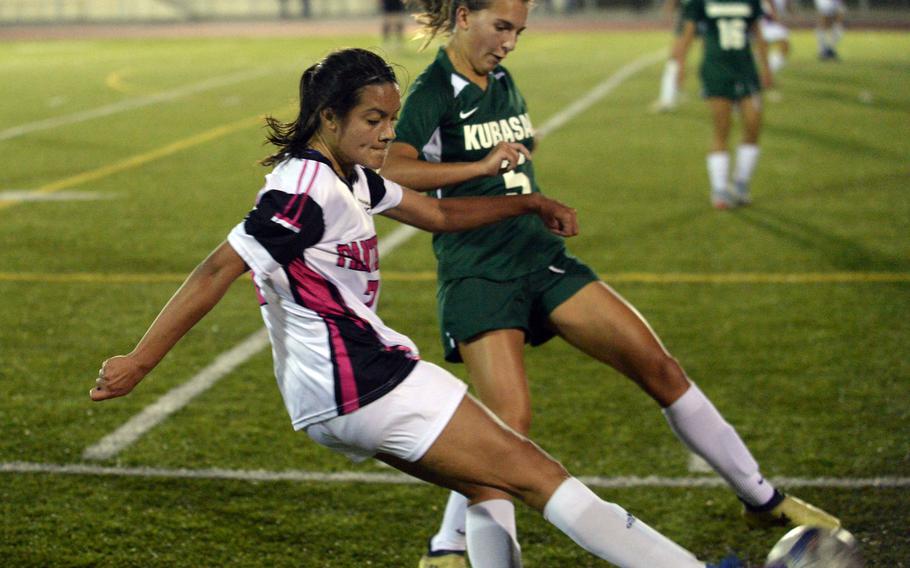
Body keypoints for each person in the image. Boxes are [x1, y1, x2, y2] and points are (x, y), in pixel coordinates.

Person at [89, 47, 748, 568]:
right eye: (373, 121)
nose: (388, 133)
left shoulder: (352, 173)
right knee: (539, 475)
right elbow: (217, 268)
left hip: (331, 397)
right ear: (329, 119)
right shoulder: (302, 189)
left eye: (391, 120)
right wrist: (139, 362)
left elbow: (434, 213)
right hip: (368, 381)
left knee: (489, 485)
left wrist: (526, 201)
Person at [381, 1, 841, 566]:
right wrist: (480, 169)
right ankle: (447, 547)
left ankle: (762, 498)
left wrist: (518, 155)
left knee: (660, 368)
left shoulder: (499, 77)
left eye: (519, 31)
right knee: (507, 427)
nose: (510, 43)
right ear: (463, 16)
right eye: (501, 27)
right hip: (478, 271)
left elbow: (499, 150)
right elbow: (392, 169)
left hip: (541, 257)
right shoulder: (434, 89)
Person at [673, 0, 772, 208]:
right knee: (722, 128)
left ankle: (741, 183)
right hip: (716, 69)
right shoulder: (700, 2)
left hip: (745, 69)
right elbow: (688, 34)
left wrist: (766, 67)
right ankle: (719, 189)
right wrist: (681, 66)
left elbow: (758, 34)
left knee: (754, 124)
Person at [652, 0, 687, 113]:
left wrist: (669, 9)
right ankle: (672, 94)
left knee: (676, 56)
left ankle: (668, 98)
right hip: (704, 12)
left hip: (692, 14)